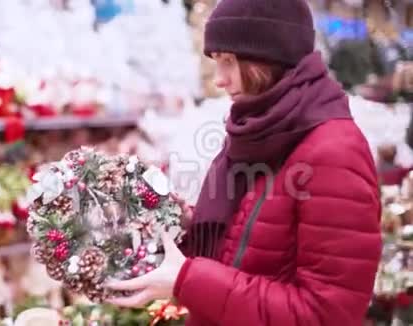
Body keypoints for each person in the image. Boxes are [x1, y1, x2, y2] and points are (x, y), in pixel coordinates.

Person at [106, 0, 382, 325]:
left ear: (269, 58)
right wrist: (180, 223)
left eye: (228, 61)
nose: (219, 79)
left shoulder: (334, 151)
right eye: (215, 61)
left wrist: (187, 279)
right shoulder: (260, 127)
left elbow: (325, 315)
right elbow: (247, 243)